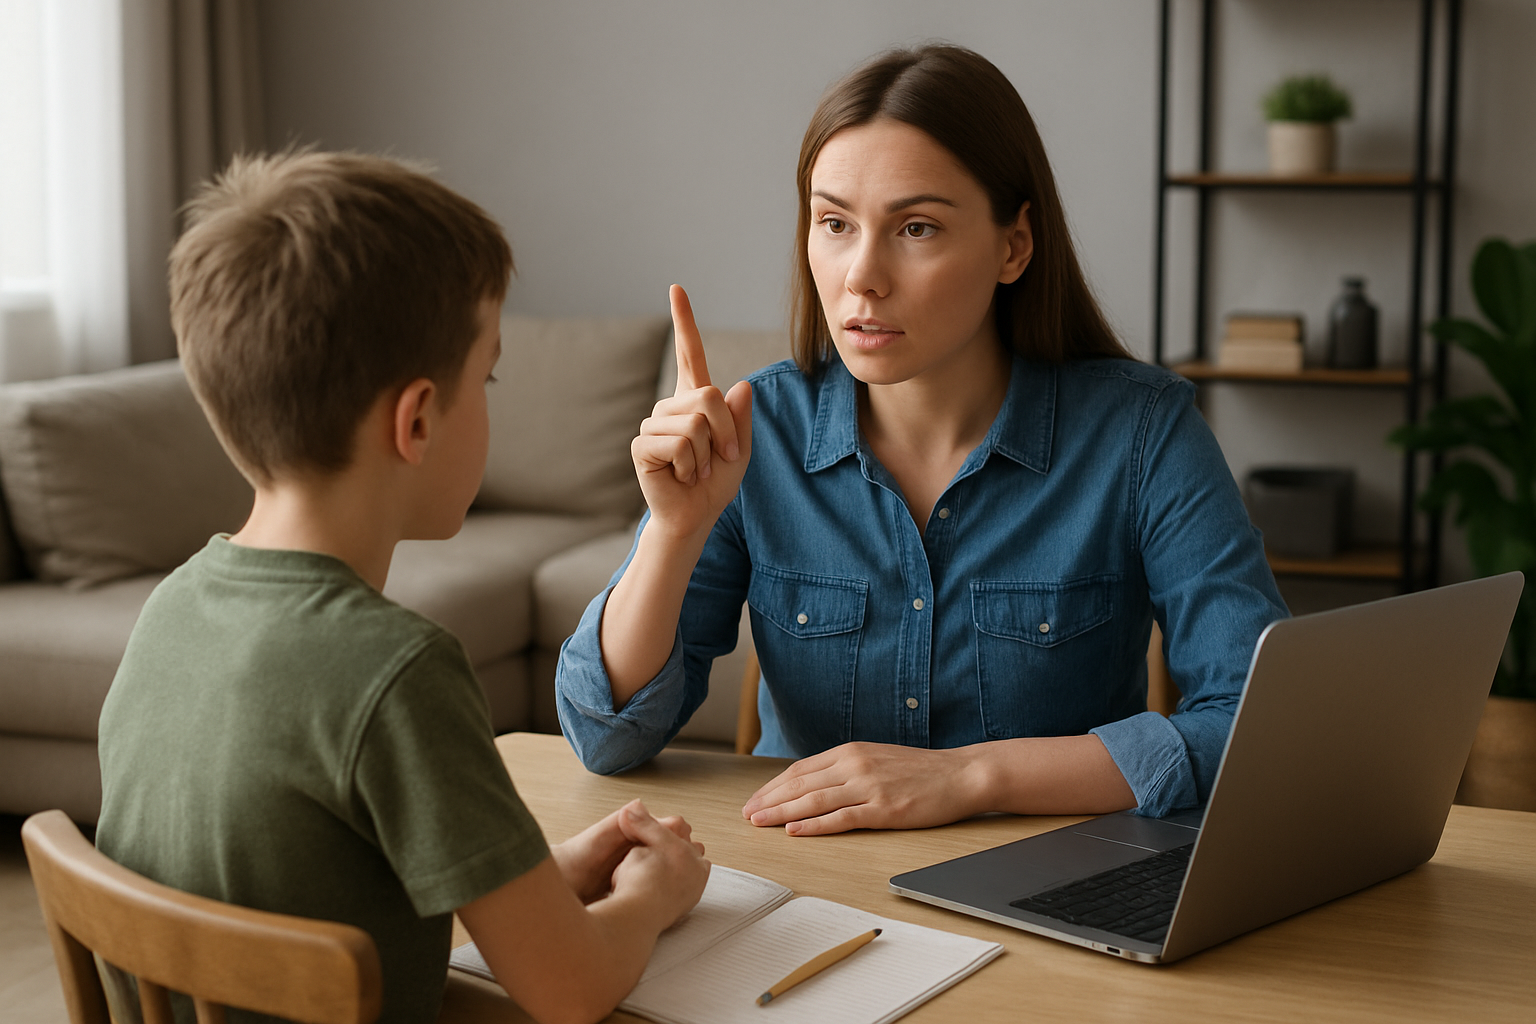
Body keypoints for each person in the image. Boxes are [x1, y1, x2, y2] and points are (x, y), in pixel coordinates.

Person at [555, 44, 1286, 836]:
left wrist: (975, 776)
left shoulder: (1144, 433)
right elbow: (606, 737)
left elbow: (1260, 725)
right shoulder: (755, 432)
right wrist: (673, 531)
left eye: (916, 227)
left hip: (1049, 886)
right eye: (834, 222)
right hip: (803, 881)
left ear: (1014, 246)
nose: (861, 276)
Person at [95, 151, 709, 1024]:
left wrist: (534, 879)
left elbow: (298, 870)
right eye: (487, 377)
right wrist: (654, 895)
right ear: (417, 420)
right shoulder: (399, 672)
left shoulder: (174, 608)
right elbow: (570, 992)